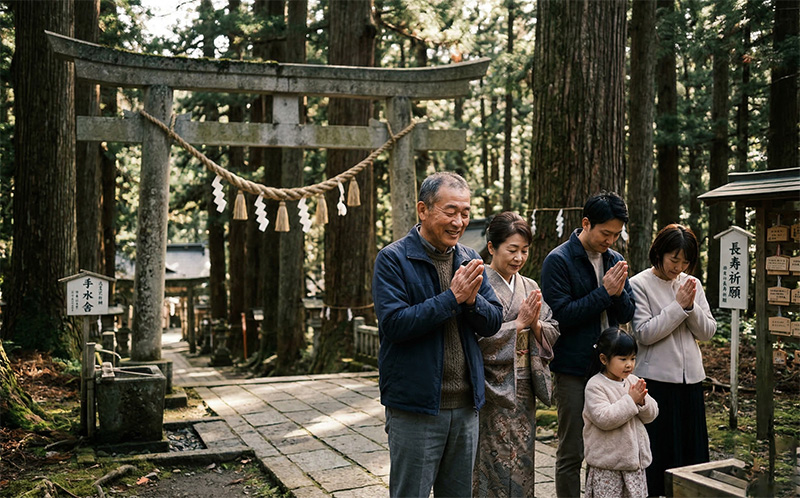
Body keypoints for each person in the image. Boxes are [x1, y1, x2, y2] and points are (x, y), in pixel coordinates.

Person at [372, 171, 504, 498]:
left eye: (465, 213)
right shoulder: (393, 259)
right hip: (416, 406)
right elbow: (395, 324)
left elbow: (493, 321)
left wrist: (472, 301)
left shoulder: (469, 259)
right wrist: (453, 298)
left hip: (465, 406)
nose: (459, 222)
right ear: (423, 210)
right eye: (450, 211)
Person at [540, 191, 636, 497]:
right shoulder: (559, 260)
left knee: (612, 445)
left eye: (617, 234)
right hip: (573, 368)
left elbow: (626, 313)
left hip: (611, 370)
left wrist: (617, 294)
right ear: (586, 223)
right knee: (572, 449)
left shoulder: (616, 259)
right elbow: (562, 315)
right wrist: (605, 293)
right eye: (605, 233)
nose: (610, 240)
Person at [473, 212, 560, 498]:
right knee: (490, 457)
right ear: (491, 247)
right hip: (491, 386)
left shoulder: (530, 286)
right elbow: (474, 337)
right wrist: (518, 324)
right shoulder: (479, 282)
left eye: (524, 250)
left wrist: (535, 324)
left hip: (523, 386)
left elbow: (552, 328)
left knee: (522, 457)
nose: (519, 257)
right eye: (512, 249)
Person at [629, 224, 716, 496]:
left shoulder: (693, 284)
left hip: (691, 381)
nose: (678, 267)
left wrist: (690, 307)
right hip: (656, 382)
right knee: (659, 453)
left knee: (692, 455)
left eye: (685, 261)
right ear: (659, 253)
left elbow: (707, 331)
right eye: (673, 259)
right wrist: (678, 306)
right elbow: (644, 333)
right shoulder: (639, 284)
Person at [583, 327, 659, 498]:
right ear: (604, 359)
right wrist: (631, 400)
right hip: (608, 465)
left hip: (634, 465)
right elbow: (604, 418)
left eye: (632, 358)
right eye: (623, 358)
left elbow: (652, 414)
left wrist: (642, 402)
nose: (629, 364)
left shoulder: (632, 381)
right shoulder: (596, 386)